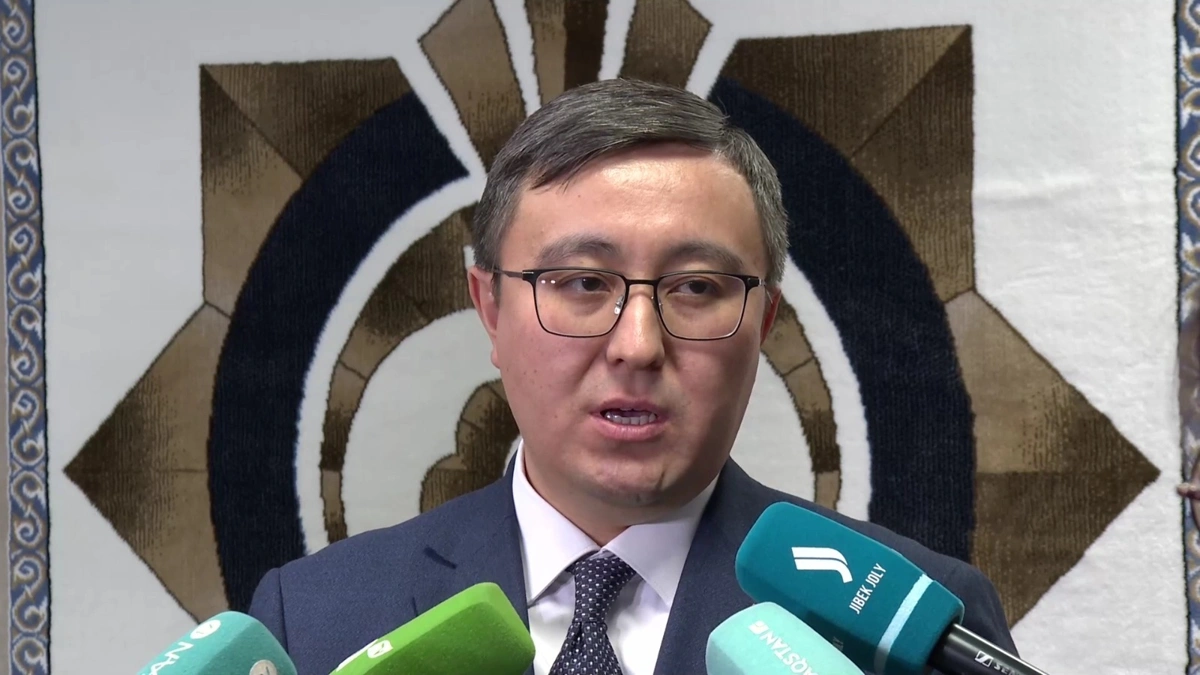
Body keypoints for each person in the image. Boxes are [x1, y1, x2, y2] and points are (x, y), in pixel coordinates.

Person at [248, 78, 1016, 674]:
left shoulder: (919, 626)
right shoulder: (312, 618)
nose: (638, 345)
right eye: (583, 283)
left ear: (764, 323)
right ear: (490, 308)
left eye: (698, 287)